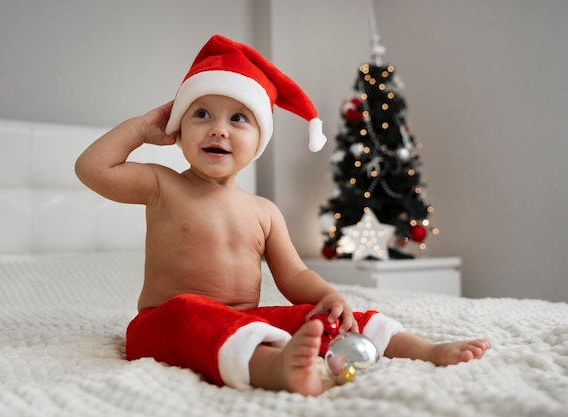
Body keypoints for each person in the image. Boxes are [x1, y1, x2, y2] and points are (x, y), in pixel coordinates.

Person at [75, 34, 490, 396]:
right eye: (201, 114)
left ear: (259, 141)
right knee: (187, 311)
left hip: (245, 319)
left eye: (239, 118)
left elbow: (292, 276)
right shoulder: (162, 184)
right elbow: (91, 169)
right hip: (162, 321)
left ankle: (423, 350)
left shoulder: (263, 211)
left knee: (328, 317)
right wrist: (141, 128)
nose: (218, 128)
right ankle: (272, 368)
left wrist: (328, 298)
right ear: (178, 130)